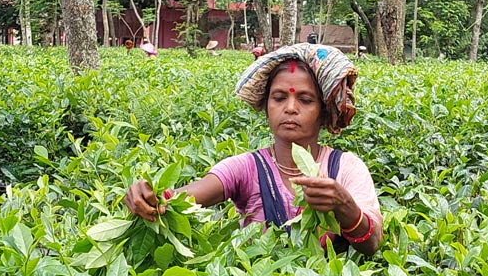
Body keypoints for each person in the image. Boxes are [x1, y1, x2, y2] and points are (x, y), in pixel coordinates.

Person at [125, 43, 382, 255]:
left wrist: (344, 206)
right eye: (279, 98)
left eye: (305, 100)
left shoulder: (346, 168)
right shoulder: (246, 168)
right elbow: (187, 196)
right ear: (266, 105)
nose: (290, 108)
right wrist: (151, 197)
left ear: (324, 110)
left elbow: (372, 244)